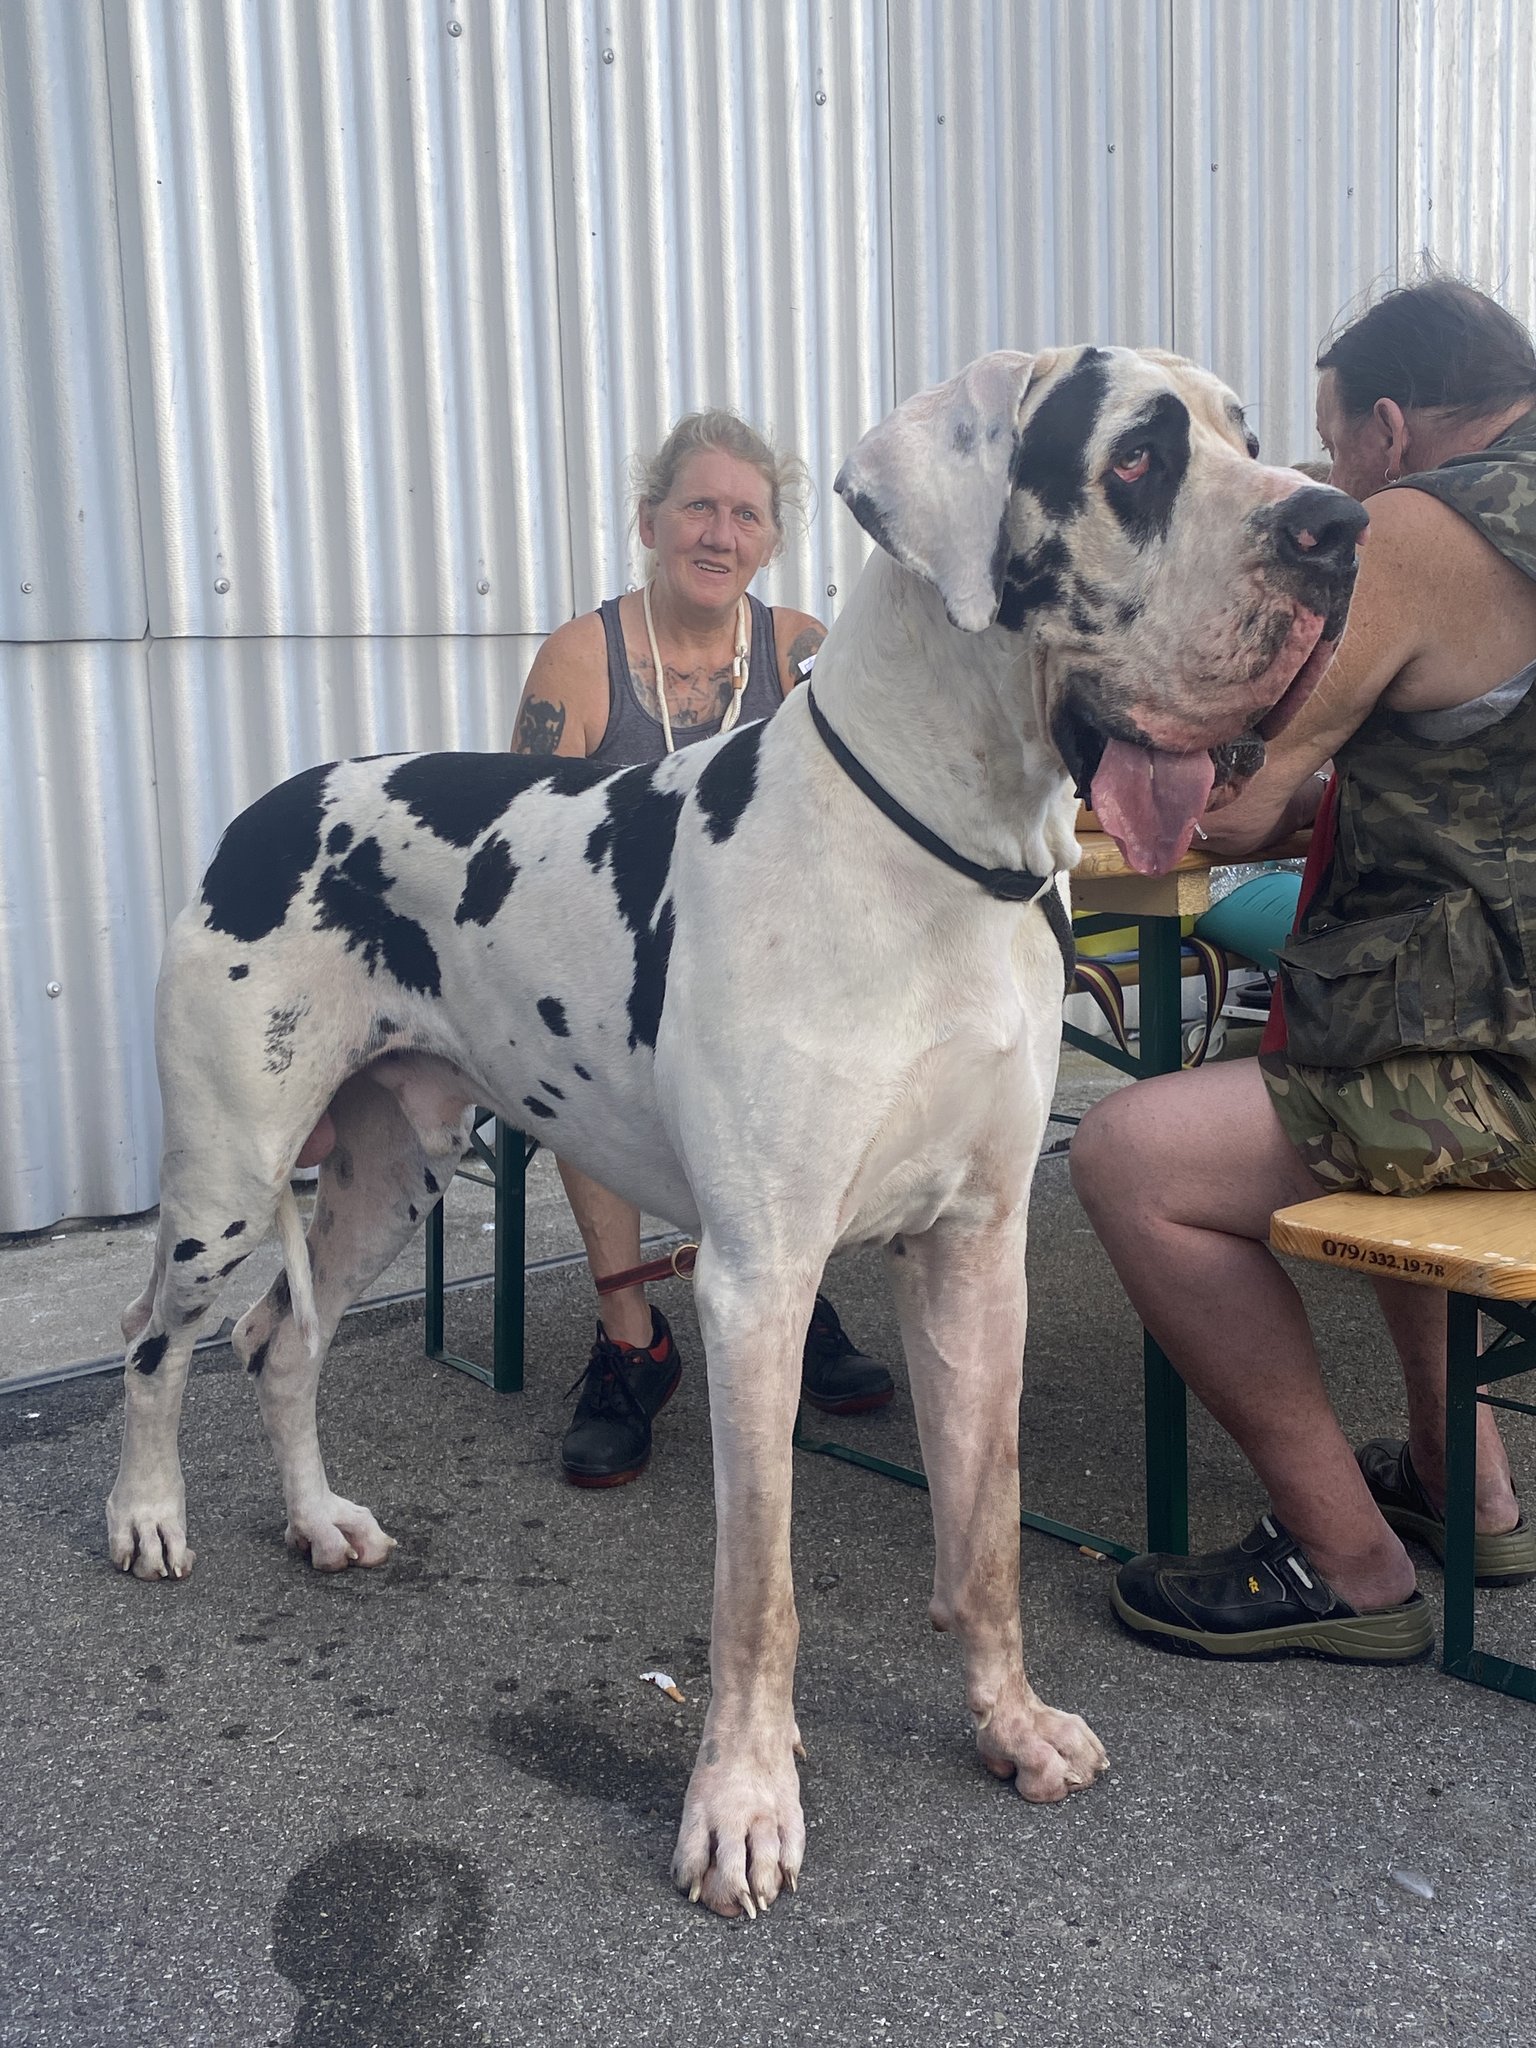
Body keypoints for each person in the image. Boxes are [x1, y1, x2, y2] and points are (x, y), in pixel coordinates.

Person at [1070, 277, 1536, 1661]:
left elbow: (1238, 794)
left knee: (1131, 1156)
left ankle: (1347, 1562)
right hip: (1487, 1047)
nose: (1334, 486)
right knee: (1363, 1092)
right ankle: (1467, 1489)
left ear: (1390, 427)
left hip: (1497, 1068)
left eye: (1334, 450)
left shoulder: (1426, 527)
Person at [511, 408, 894, 1486]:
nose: (719, 534)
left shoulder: (804, 650)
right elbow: (527, 853)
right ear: (650, 521)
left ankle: (793, 1291)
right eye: (697, 508)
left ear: (770, 539)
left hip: (775, 973)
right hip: (620, 975)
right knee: (578, 1042)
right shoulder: (581, 659)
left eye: (746, 515)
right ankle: (631, 1339)